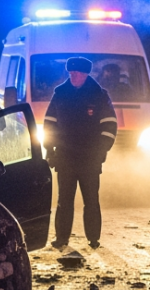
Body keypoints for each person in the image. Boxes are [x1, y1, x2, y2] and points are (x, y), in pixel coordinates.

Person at [44, 56, 117, 249]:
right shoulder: (60, 93)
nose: (73, 75)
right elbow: (49, 123)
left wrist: (100, 150)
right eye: (70, 72)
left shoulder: (99, 95)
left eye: (76, 73)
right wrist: (49, 149)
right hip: (65, 157)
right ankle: (61, 238)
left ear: (85, 74)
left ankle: (93, 239)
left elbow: (110, 125)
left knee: (91, 201)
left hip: (90, 159)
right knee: (64, 201)